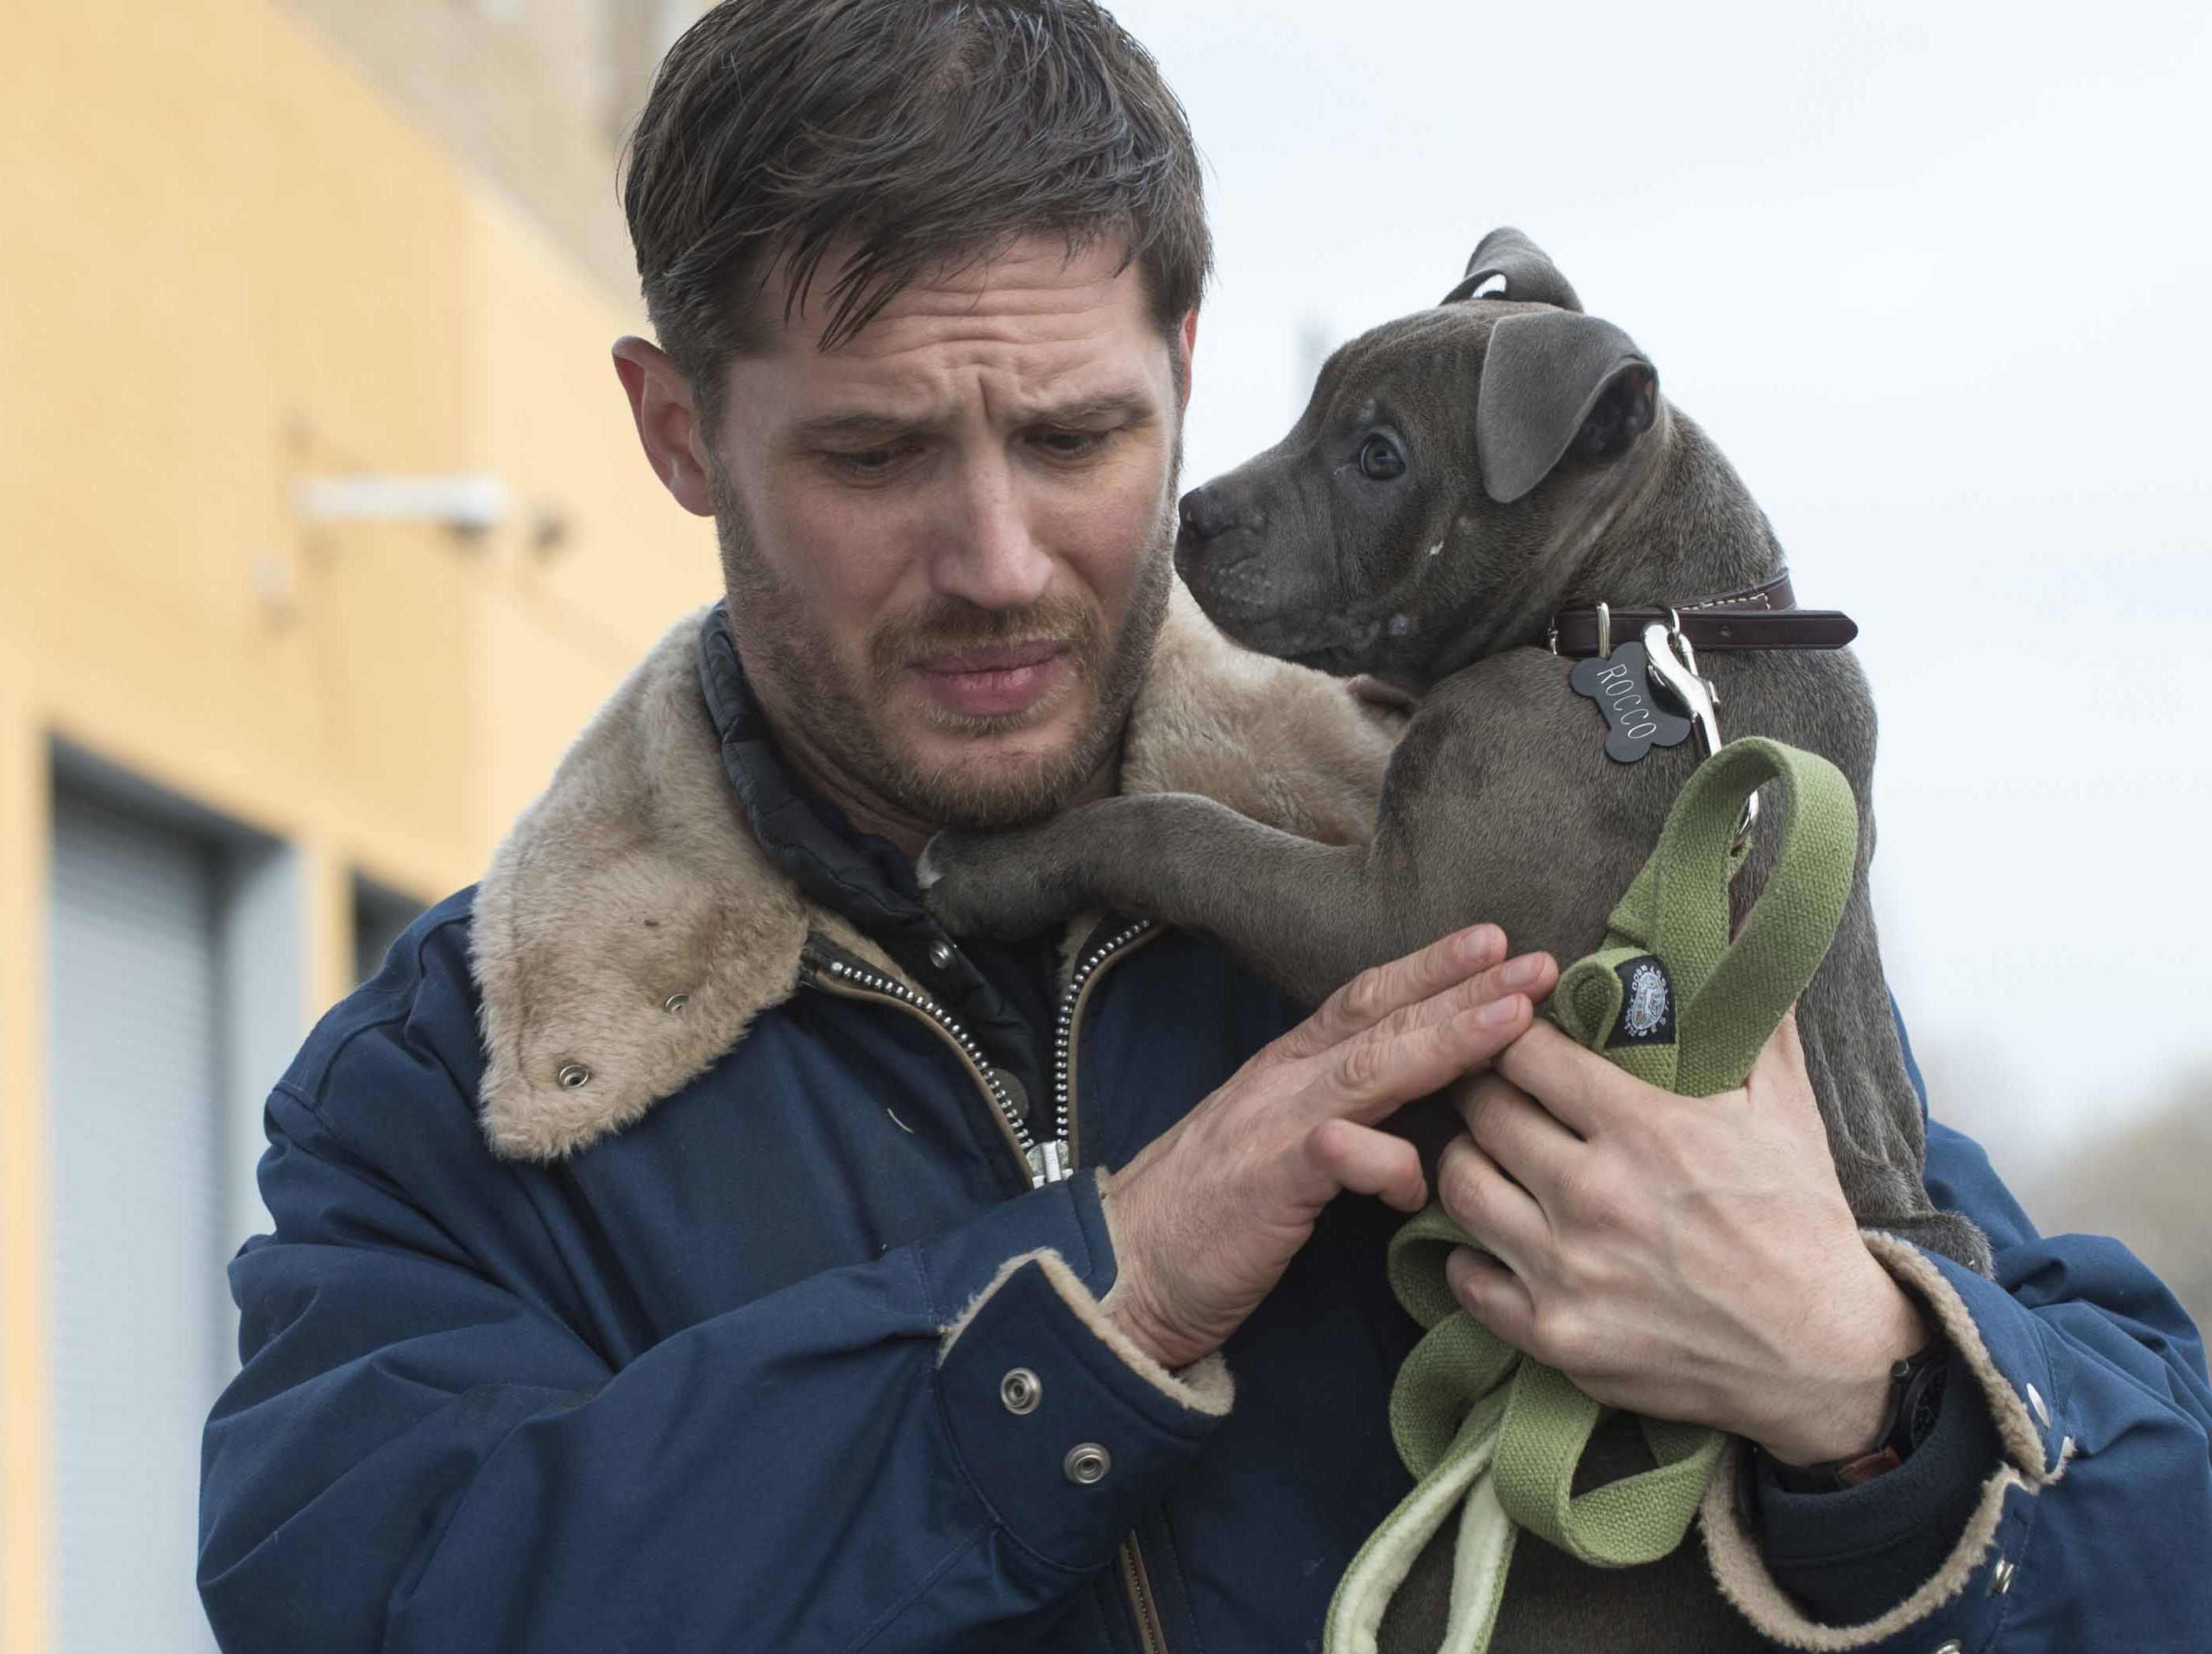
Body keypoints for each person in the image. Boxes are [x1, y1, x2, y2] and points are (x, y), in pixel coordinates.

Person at [197, 3, 2212, 1650]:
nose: (995, 559)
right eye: (878, 452)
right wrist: (1087, 1315)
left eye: (1075, 437)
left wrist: (1869, 1398)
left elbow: (2163, 1524)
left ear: (1180, 369)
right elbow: (369, 1598)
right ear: (675, 433)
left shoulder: (1572, 859)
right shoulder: (452, 1090)